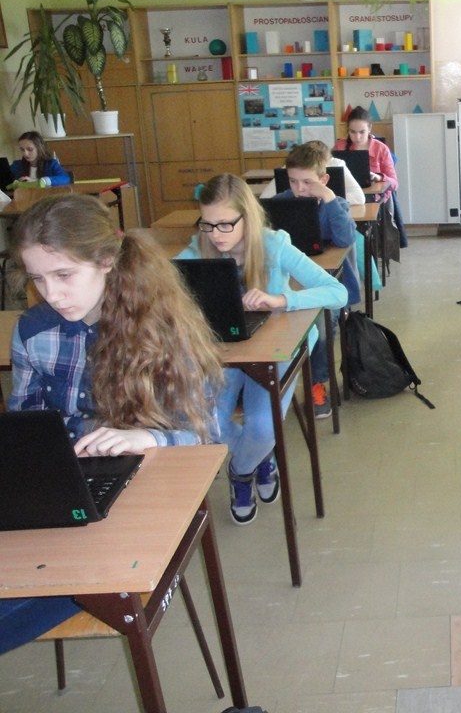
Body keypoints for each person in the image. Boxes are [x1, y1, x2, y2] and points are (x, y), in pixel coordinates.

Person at [2, 193, 222, 654]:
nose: (51, 294)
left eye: (64, 275)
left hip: (145, 495)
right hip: (64, 490)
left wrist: (148, 436)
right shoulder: (32, 331)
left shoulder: (162, 327)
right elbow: (24, 431)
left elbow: (206, 436)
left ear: (105, 261)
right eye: (38, 278)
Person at [177, 173, 348, 524]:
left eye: (226, 224)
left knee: (262, 427)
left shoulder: (274, 245)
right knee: (206, 424)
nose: (216, 234)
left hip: (273, 350)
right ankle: (258, 459)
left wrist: (281, 299)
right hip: (222, 353)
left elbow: (337, 293)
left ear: (248, 218)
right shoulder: (197, 249)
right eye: (207, 224)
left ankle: (242, 471)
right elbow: (161, 293)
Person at [272, 141, 361, 419]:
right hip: (287, 283)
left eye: (308, 182)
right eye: (293, 181)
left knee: (321, 328)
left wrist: (329, 198)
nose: (299, 189)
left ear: (323, 180)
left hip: (327, 284)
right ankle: (270, 384)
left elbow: (345, 240)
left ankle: (317, 383)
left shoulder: (337, 204)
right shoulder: (280, 204)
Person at [334, 106, 404, 265]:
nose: (357, 137)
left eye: (362, 132)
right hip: (349, 198)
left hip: (376, 200)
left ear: (370, 129)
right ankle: (352, 258)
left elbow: (394, 183)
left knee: (366, 229)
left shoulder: (381, 149)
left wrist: (379, 177)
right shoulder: (340, 147)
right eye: (352, 132)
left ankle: (368, 259)